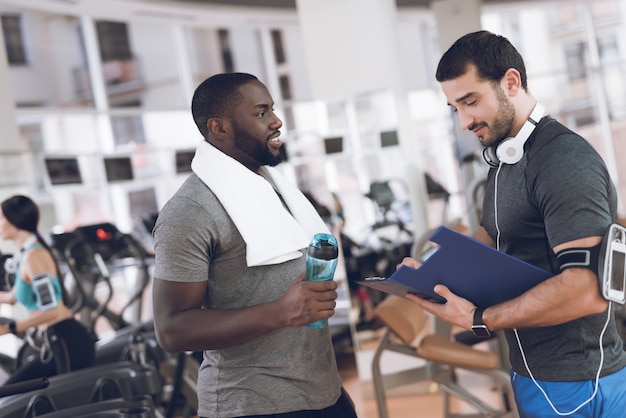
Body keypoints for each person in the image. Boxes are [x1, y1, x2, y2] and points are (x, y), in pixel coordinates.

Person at [403, 30, 626, 417]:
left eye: (470, 102)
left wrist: (478, 319)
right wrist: (434, 279)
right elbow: (488, 244)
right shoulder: (505, 158)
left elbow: (586, 290)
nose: (463, 122)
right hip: (536, 374)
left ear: (511, 82)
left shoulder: (562, 160)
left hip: (577, 382)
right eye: (454, 108)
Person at [152, 72, 357, 418]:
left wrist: (333, 395)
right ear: (220, 127)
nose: (276, 122)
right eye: (261, 113)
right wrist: (279, 312)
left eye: (272, 110)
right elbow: (171, 329)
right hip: (251, 404)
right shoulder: (191, 211)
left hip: (321, 396)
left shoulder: (274, 187)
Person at [0, 195, 95, 385]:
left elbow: (53, 310)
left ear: (14, 220)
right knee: (11, 391)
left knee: (63, 406)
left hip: (67, 339)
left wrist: (9, 328)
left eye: (1, 218)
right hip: (56, 339)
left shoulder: (34, 256)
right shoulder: (27, 254)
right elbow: (12, 297)